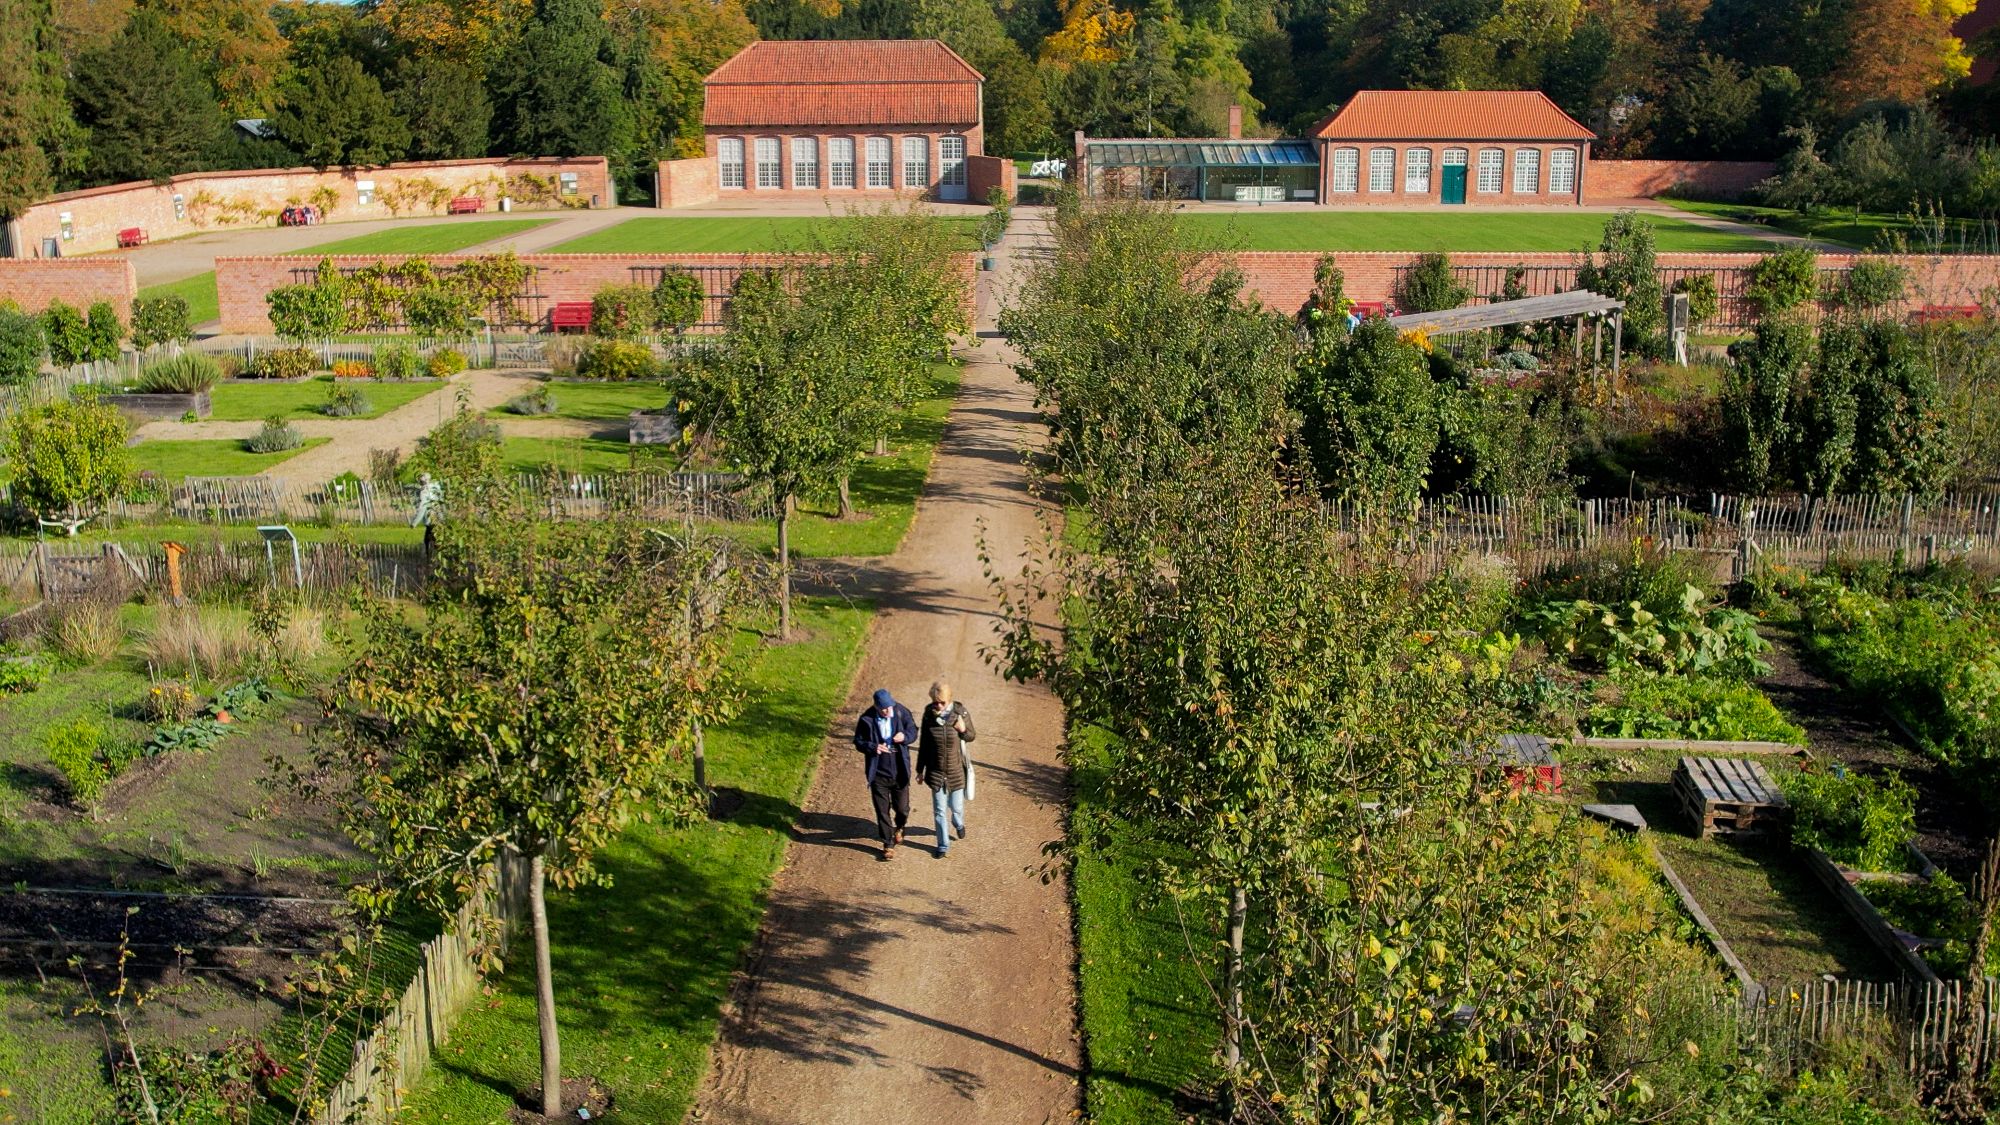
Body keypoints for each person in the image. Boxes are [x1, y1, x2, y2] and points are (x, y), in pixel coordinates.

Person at [854, 688, 917, 859]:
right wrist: (873, 747)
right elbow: (858, 741)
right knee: (882, 811)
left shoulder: (901, 712)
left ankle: (900, 827)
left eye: (890, 707)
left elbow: (913, 731)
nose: (888, 711)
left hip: (899, 772)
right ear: (876, 706)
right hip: (879, 774)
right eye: (884, 709)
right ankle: (888, 844)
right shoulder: (866, 719)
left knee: (902, 809)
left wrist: (904, 737)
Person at [916, 680, 976, 858]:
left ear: (949, 700)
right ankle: (943, 845)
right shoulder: (928, 715)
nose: (938, 705)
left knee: (956, 808)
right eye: (935, 702)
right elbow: (924, 744)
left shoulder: (960, 712)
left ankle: (958, 824)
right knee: (939, 811)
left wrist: (963, 730)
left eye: (942, 702)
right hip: (935, 772)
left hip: (956, 771)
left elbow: (972, 735)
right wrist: (920, 770)